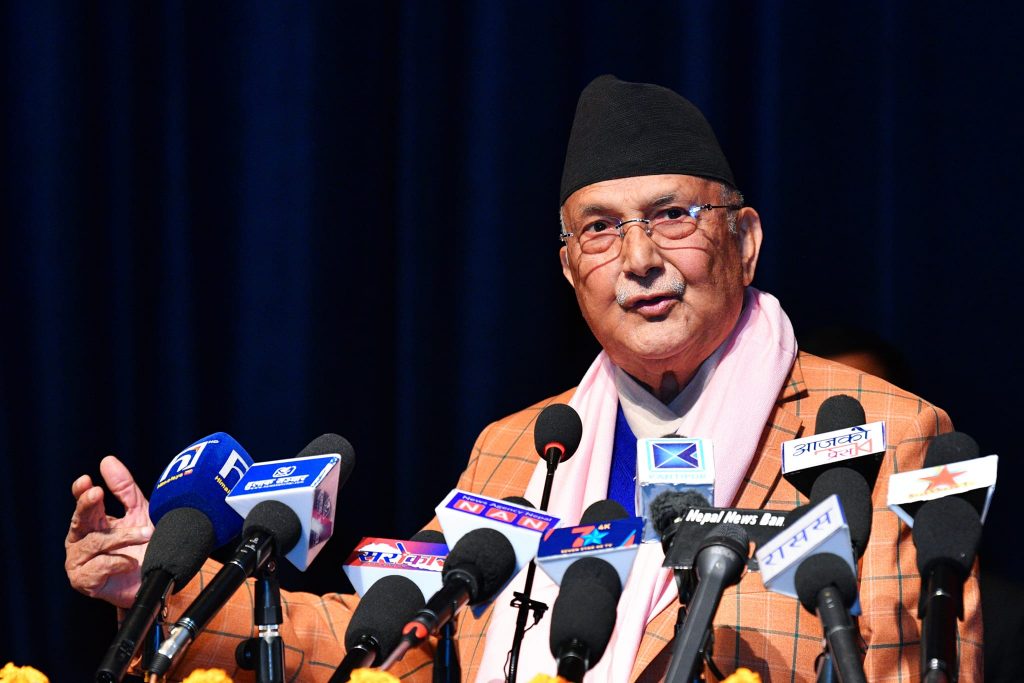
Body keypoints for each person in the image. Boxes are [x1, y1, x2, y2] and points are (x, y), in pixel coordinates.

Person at [66, 75, 983, 682]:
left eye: (671, 216)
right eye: (601, 229)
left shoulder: (890, 429)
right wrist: (159, 587)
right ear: (570, 268)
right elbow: (396, 643)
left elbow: (918, 660)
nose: (639, 259)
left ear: (744, 240)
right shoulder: (521, 447)